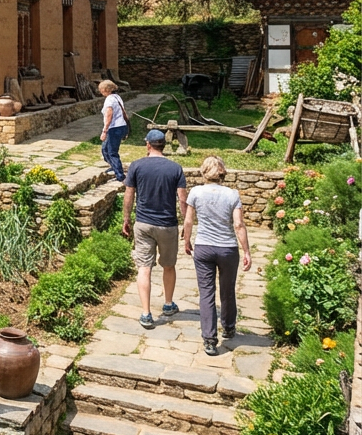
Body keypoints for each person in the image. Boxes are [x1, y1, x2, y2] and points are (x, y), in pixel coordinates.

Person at [182, 156, 252, 356]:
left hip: (203, 247)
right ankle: (228, 327)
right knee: (227, 290)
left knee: (206, 292)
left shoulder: (195, 192)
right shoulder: (232, 195)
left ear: (204, 172)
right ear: (223, 173)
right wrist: (246, 250)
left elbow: (188, 221)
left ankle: (210, 339)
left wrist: (187, 241)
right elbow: (238, 225)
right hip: (227, 248)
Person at [122, 129, 188, 329]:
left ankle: (146, 313)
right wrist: (186, 223)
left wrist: (126, 218)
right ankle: (168, 304)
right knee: (169, 266)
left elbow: (129, 195)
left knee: (144, 268)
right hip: (167, 224)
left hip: (143, 224)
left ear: (148, 145)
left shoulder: (137, 166)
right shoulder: (175, 168)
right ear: (164, 145)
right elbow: (183, 199)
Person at [98, 80, 129, 182]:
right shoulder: (117, 97)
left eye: (101, 89)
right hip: (121, 126)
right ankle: (114, 167)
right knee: (105, 149)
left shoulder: (109, 100)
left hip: (114, 128)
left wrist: (104, 130)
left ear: (106, 90)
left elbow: (109, 115)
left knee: (112, 152)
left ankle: (120, 175)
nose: (100, 91)